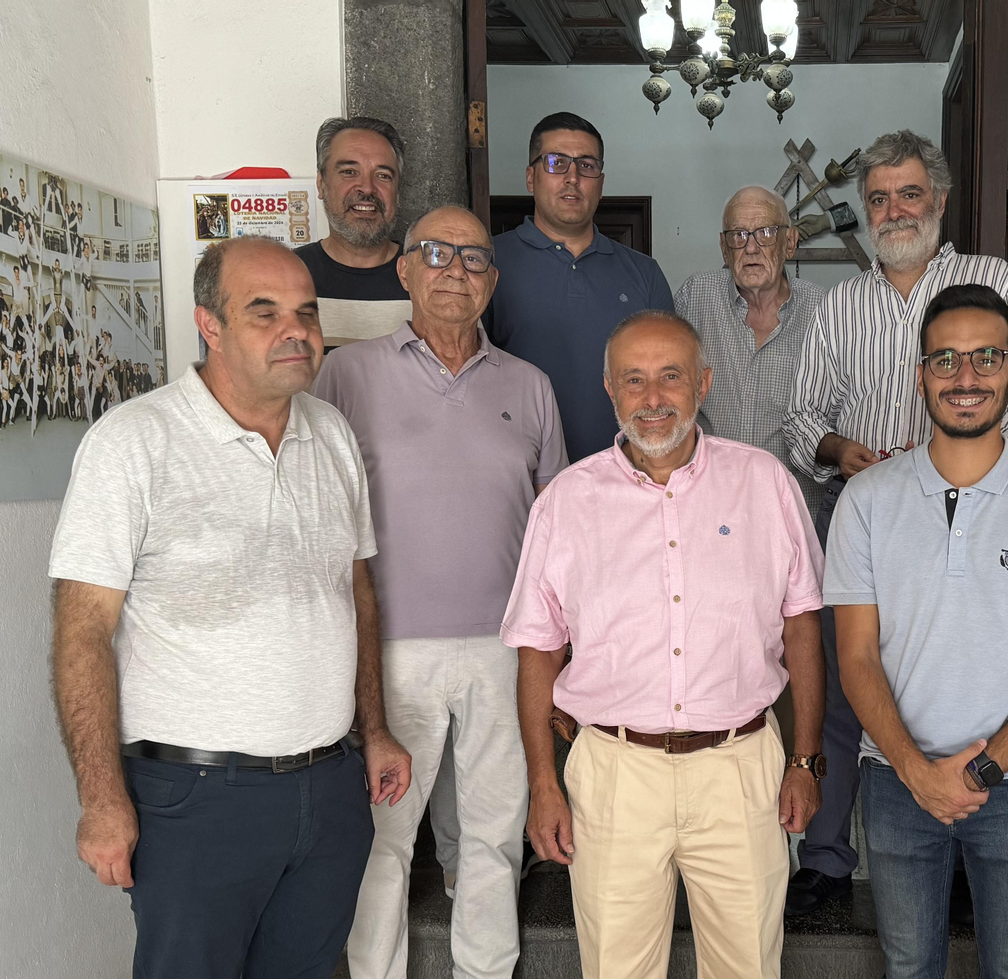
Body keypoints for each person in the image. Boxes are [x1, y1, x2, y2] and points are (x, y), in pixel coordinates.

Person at [47, 236, 414, 979]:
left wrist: (374, 730)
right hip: (196, 799)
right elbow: (82, 632)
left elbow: (355, 594)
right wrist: (101, 797)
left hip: (328, 787)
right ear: (209, 325)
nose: (296, 331)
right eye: (264, 312)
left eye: (306, 313)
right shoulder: (134, 443)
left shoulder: (332, 434)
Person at [505, 311, 826, 979]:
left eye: (671, 376)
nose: (653, 399)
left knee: (747, 967)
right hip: (615, 772)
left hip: (740, 767)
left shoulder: (764, 482)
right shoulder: (566, 501)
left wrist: (804, 758)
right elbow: (538, 650)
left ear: (703, 383)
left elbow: (802, 625)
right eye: (634, 379)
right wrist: (542, 782)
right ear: (610, 389)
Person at [782, 130, 1008, 915]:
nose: (893, 210)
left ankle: (964, 851)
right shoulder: (839, 305)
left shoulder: (989, 279)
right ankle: (828, 855)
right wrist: (840, 450)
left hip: (976, 512)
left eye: (908, 193)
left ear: (940, 198)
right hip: (863, 514)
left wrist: (945, 466)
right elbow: (801, 419)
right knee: (844, 684)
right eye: (878, 199)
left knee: (965, 679)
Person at [315, 205, 568, 979]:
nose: (456, 269)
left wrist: (560, 652)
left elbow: (556, 531)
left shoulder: (530, 386)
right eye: (436, 253)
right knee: (384, 838)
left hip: (506, 651)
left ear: (492, 279)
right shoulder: (346, 374)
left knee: (494, 835)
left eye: (473, 257)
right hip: (390, 648)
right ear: (404, 269)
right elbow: (317, 510)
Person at [825, 284, 1008, 977]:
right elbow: (856, 659)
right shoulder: (866, 498)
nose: (966, 376)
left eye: (986, 357)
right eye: (945, 360)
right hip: (897, 779)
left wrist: (977, 772)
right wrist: (920, 774)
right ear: (919, 375)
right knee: (907, 967)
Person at [485, 112, 673, 462]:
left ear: (600, 183)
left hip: (625, 473)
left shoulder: (644, 273)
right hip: (519, 474)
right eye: (556, 163)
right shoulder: (487, 263)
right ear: (531, 177)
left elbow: (667, 384)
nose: (572, 178)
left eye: (586, 166)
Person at [673, 184, 827, 518]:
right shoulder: (695, 296)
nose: (751, 248)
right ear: (724, 248)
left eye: (766, 233)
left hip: (792, 510)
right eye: (738, 235)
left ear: (790, 243)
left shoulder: (825, 310)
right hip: (708, 505)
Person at [295, 117, 414, 348]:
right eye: (349, 172)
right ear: (321, 184)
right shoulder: (286, 276)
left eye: (383, 175)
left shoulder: (430, 279)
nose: (367, 188)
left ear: (397, 191)